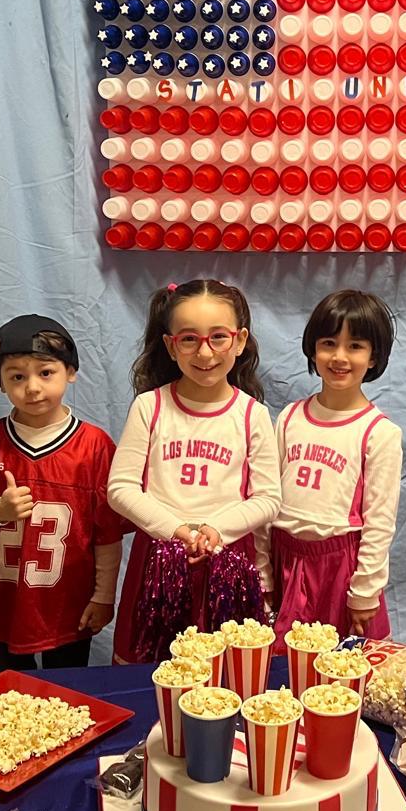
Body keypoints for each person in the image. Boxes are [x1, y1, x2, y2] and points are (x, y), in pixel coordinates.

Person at [108, 279, 279, 663]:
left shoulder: (252, 414)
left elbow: (269, 498)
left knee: (227, 674)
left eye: (218, 337)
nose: (205, 352)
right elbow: (120, 488)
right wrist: (176, 531)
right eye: (189, 339)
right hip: (159, 560)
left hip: (227, 562)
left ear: (239, 340)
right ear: (171, 346)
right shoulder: (149, 407)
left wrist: (217, 529)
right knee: (153, 671)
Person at [0, 315, 126, 670]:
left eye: (45, 373)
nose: (32, 387)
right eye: (17, 376)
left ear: (70, 372)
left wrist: (104, 596)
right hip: (4, 603)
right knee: (6, 694)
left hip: (70, 604)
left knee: (68, 693)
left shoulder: (94, 447)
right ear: (1, 383)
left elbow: (108, 534)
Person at [270, 290, 400, 641]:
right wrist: (265, 573)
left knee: (343, 666)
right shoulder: (289, 418)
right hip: (284, 561)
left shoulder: (379, 432)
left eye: (355, 346)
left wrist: (365, 591)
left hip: (340, 569)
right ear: (313, 348)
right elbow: (266, 500)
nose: (340, 356)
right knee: (283, 662)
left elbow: (380, 522)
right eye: (329, 343)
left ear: (373, 357)